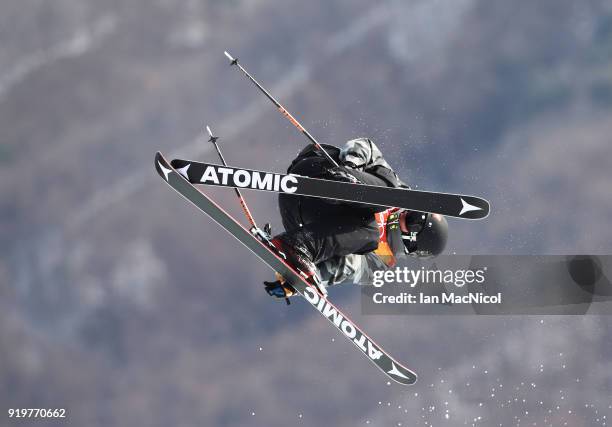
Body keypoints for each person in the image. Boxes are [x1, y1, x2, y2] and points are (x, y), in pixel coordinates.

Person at [264, 138, 448, 299]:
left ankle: (299, 246)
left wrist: (294, 282)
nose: (405, 214)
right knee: (390, 192)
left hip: (301, 219)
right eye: (412, 210)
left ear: (412, 245)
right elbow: (366, 146)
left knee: (374, 232)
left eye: (412, 220)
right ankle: (344, 188)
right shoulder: (396, 190)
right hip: (317, 172)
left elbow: (341, 268)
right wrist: (350, 167)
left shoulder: (380, 260)